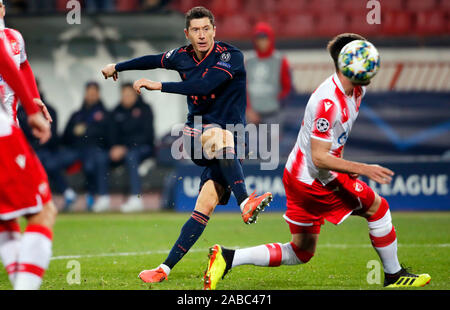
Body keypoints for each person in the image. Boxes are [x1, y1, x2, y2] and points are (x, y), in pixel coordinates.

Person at [203, 33, 431, 290]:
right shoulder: (327, 102)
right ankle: (395, 276)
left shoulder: (357, 88)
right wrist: (361, 168)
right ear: (346, 63)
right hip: (315, 178)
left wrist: (343, 164)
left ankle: (228, 257)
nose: (370, 67)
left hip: (298, 174)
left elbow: (333, 144)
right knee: (377, 209)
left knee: (302, 251)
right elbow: (320, 157)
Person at [101, 6, 273, 283]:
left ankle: (164, 268)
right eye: (196, 30)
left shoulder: (231, 57)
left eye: (206, 29)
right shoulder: (181, 56)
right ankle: (245, 204)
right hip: (198, 133)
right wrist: (117, 67)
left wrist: (161, 86)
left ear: (214, 30)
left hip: (230, 142)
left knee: (205, 204)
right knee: (220, 135)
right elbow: (153, 59)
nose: (202, 35)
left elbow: (204, 86)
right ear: (187, 33)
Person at [0, 17, 57, 290]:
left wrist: (32, 98)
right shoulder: (3, 39)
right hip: (3, 133)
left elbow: (20, 63)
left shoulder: (15, 38)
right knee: (44, 210)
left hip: (9, 127)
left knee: (5, 218)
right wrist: (33, 113)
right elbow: (4, 58)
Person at [17, 81, 78, 212]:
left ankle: (49, 196)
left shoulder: (49, 110)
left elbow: (52, 135)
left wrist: (39, 143)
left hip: (48, 149)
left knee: (47, 163)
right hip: (28, 150)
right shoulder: (20, 111)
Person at [60, 81, 112, 212]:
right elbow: (65, 136)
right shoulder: (77, 115)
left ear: (98, 95)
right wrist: (74, 132)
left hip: (95, 149)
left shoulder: (105, 114)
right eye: (89, 93)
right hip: (76, 149)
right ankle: (68, 193)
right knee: (52, 163)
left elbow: (108, 136)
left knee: (90, 165)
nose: (91, 96)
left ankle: (92, 196)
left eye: (94, 93)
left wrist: (87, 131)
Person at [245, 22, 292, 155]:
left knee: (272, 152)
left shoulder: (280, 60)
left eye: (264, 39)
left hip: (273, 114)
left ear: (270, 39)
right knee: (250, 151)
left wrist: (276, 105)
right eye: (259, 39)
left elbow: (287, 87)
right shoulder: (249, 61)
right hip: (251, 114)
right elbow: (244, 87)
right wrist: (249, 109)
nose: (262, 43)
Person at [109, 83, 155, 213]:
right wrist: (114, 147)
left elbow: (147, 136)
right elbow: (111, 134)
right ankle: (102, 197)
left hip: (144, 149)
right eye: (124, 95)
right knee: (99, 157)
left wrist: (124, 147)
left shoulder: (145, 109)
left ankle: (136, 198)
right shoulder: (116, 111)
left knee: (131, 155)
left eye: (129, 94)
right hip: (122, 150)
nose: (126, 97)